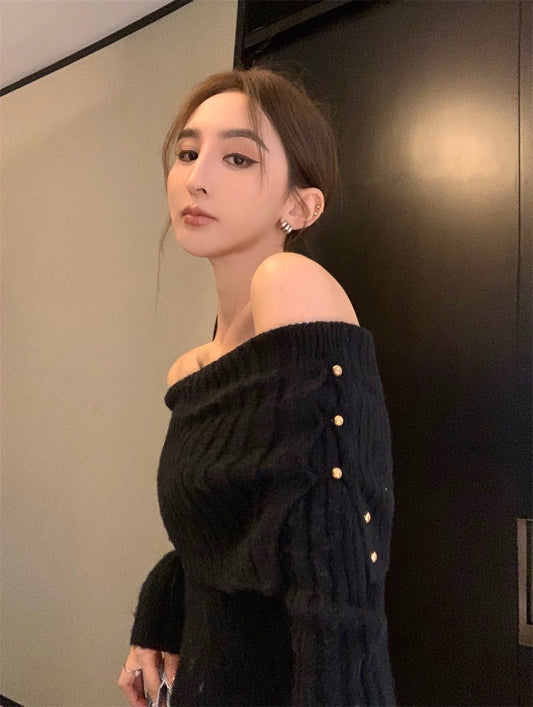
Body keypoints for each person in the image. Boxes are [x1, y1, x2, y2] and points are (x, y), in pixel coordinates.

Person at [118, 66, 395, 707]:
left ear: (300, 206)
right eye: (188, 153)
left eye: (238, 158)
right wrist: (159, 616)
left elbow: (338, 572)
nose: (197, 177)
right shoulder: (194, 368)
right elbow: (229, 536)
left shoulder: (290, 285)